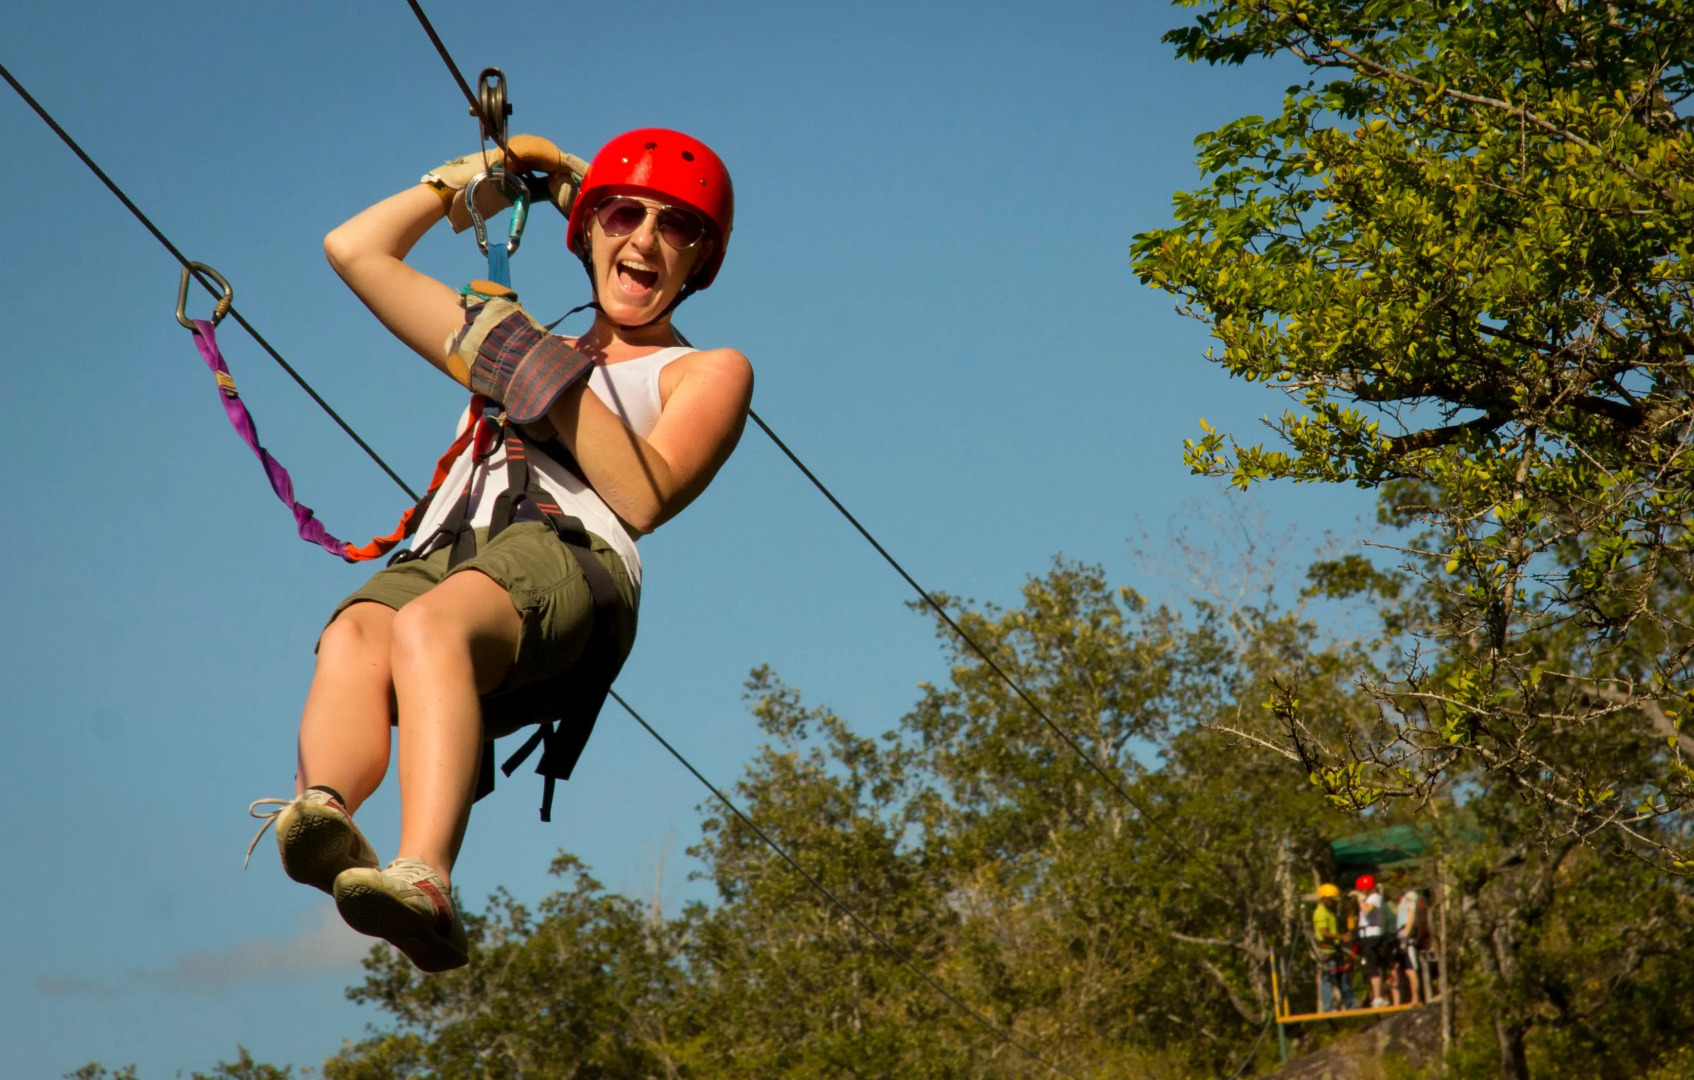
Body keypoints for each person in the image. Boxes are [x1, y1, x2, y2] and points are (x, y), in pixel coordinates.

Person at [246, 129, 752, 972]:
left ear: (701, 261)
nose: (646, 241)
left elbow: (645, 494)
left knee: (427, 627)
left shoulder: (702, 371)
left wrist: (536, 369)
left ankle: (428, 877)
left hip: (570, 556)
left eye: (677, 229)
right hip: (457, 551)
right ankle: (321, 810)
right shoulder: (508, 337)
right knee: (357, 633)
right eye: (626, 215)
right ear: (587, 230)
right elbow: (356, 248)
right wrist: (490, 171)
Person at [1314, 883, 1357, 1012]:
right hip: (1327, 951)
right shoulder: (1320, 912)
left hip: (1334, 950)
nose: (1333, 903)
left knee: (1342, 978)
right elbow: (1324, 933)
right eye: (1332, 900)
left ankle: (1351, 1004)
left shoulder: (1329, 911)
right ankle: (1328, 1008)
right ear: (1325, 898)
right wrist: (1341, 937)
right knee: (1327, 979)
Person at [1354, 873, 1394, 1007]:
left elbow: (1366, 911)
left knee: (1372, 966)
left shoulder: (1374, 897)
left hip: (1371, 936)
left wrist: (1360, 900)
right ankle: (1376, 996)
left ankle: (1377, 997)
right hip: (1365, 935)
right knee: (1371, 966)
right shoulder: (1370, 898)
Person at [1395, 880, 1425, 1005]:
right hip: (1401, 934)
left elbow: (1411, 916)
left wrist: (1405, 937)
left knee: (1411, 968)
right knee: (1405, 969)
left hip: (1406, 936)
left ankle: (1415, 998)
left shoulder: (1411, 896)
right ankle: (1405, 998)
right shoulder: (1404, 898)